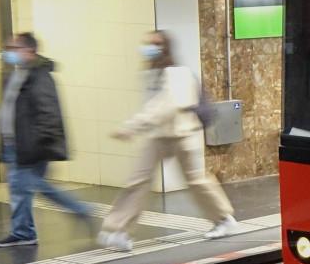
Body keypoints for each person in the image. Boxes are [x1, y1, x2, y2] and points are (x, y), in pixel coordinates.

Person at [98, 30, 239, 252]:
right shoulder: (150, 73)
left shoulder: (178, 74)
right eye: (148, 43)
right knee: (138, 180)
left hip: (183, 133)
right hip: (158, 135)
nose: (148, 48)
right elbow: (152, 107)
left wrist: (132, 127)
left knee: (196, 180)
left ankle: (224, 219)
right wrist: (138, 125)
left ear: (165, 48)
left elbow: (165, 107)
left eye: (154, 44)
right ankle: (118, 230)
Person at [0, 32, 94, 247]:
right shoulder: (18, 74)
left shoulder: (39, 76)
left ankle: (79, 209)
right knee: (22, 188)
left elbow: (48, 112)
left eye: (14, 48)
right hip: (15, 144)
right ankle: (24, 232)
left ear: (29, 50)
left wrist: (40, 145)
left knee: (29, 185)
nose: (9, 53)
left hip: (30, 146)